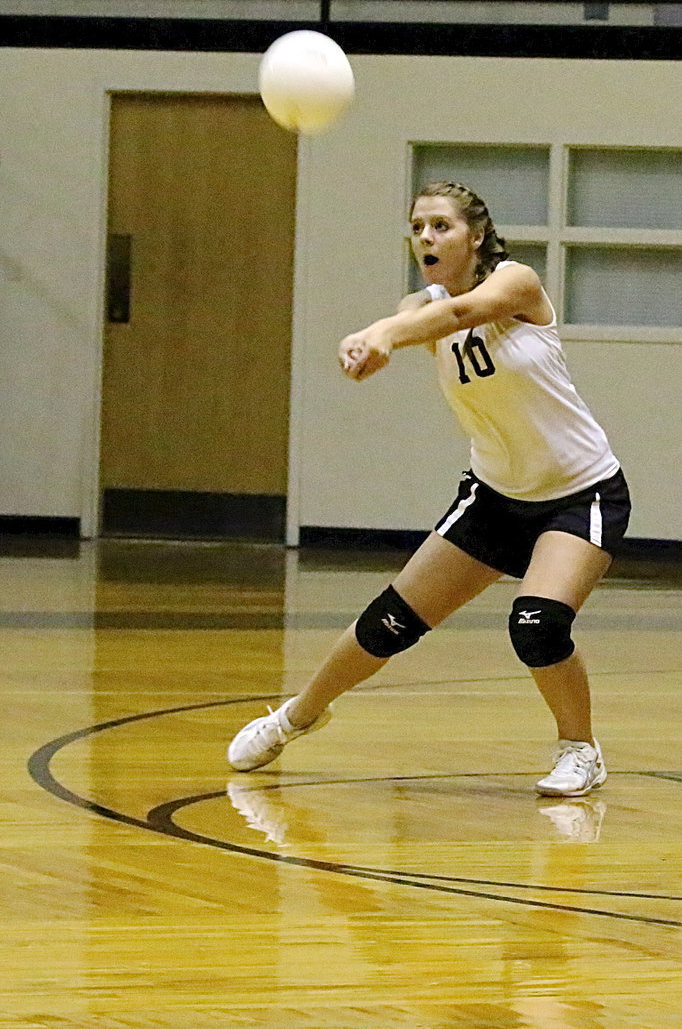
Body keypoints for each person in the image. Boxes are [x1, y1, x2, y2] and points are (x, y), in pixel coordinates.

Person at [227, 180, 630, 798]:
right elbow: (409, 317)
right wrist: (368, 340)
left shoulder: (516, 283)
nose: (426, 238)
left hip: (580, 494)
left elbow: (459, 315)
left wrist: (388, 335)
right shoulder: (423, 303)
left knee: (537, 624)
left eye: (440, 226)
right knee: (390, 619)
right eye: (417, 228)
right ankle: (296, 716)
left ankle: (580, 749)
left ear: (475, 236)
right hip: (495, 496)